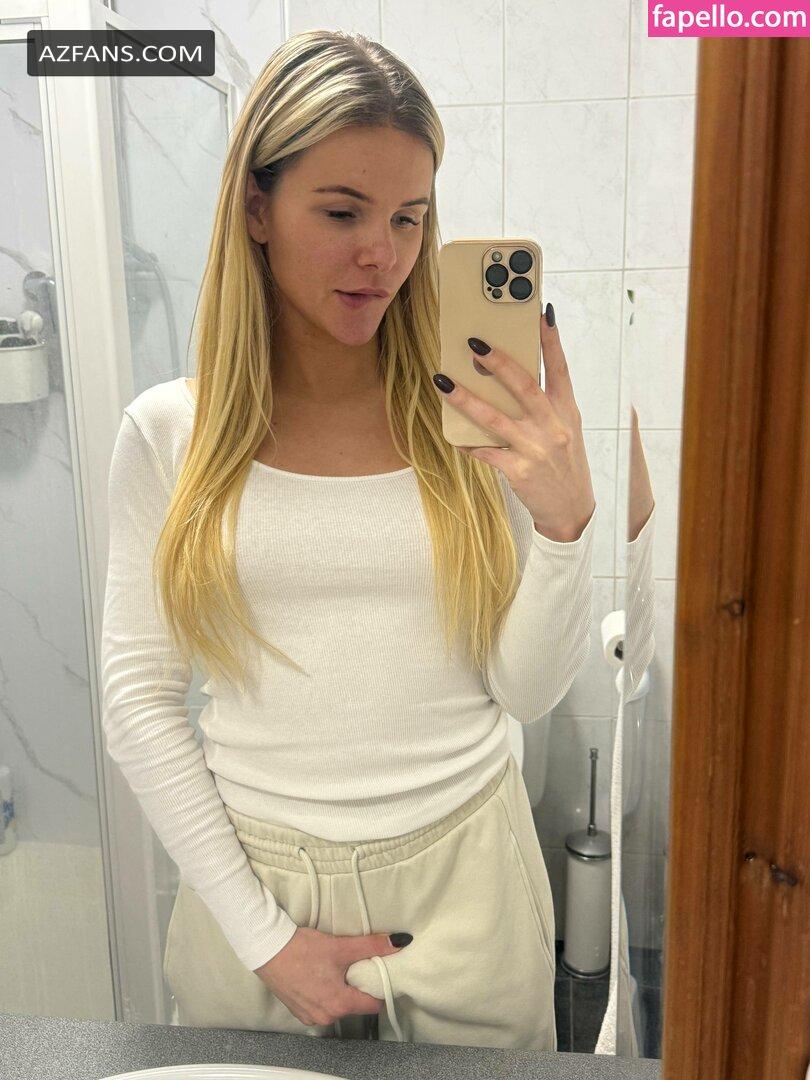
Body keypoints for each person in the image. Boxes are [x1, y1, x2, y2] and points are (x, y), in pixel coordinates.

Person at [100, 29, 597, 1052]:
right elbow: (139, 700)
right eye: (342, 212)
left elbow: (526, 692)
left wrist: (564, 526)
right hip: (251, 881)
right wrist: (264, 937)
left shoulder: (471, 419)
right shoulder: (168, 435)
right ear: (256, 208)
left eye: (409, 217)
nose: (386, 253)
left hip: (468, 876)